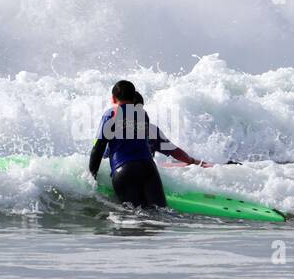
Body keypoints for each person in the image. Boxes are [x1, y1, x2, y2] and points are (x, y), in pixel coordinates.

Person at [88, 80, 208, 208]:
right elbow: (171, 149)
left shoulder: (110, 115)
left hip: (124, 170)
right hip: (148, 168)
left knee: (134, 218)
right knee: (160, 213)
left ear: (113, 98)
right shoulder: (143, 116)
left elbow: (99, 148)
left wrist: (91, 178)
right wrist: (191, 160)